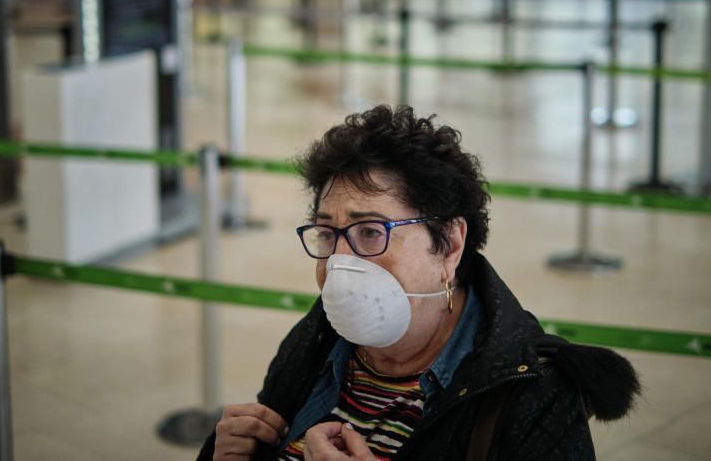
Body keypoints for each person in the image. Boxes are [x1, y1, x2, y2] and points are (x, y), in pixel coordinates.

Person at [199, 106, 640, 460]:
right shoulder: (318, 341)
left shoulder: (532, 395)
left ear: (449, 244)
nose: (339, 263)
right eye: (327, 234)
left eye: (370, 232)